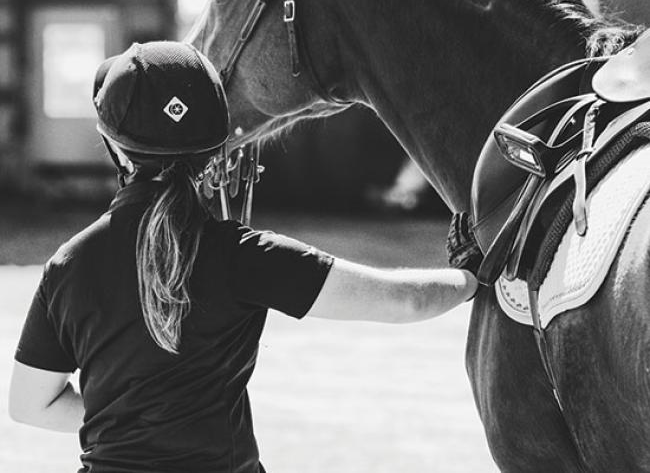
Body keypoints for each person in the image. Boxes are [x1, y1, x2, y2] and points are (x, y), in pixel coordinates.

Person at [9, 41, 478, 473]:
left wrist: (132, 417)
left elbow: (31, 405)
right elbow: (407, 302)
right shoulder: (244, 255)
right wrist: (471, 275)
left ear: (112, 144)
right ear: (216, 149)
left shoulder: (69, 266)